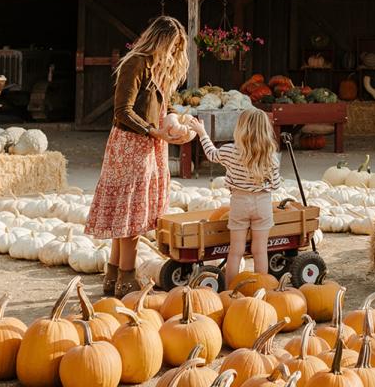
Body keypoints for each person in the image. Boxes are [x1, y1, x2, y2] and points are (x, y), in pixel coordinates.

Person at [85, 15, 191, 297]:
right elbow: (123, 111)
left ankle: (114, 277)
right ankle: (127, 280)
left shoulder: (156, 68)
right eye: (172, 46)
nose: (173, 53)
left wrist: (176, 123)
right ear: (160, 41)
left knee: (129, 216)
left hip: (147, 145)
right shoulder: (136, 63)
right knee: (130, 216)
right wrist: (154, 132)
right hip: (131, 146)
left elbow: (157, 107)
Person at [185, 108, 282, 288]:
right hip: (262, 203)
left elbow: (212, 154)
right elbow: (276, 185)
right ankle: (263, 288)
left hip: (239, 203)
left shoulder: (231, 150)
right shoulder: (271, 156)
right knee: (260, 250)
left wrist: (202, 133)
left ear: (241, 128)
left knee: (235, 251)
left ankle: (231, 289)